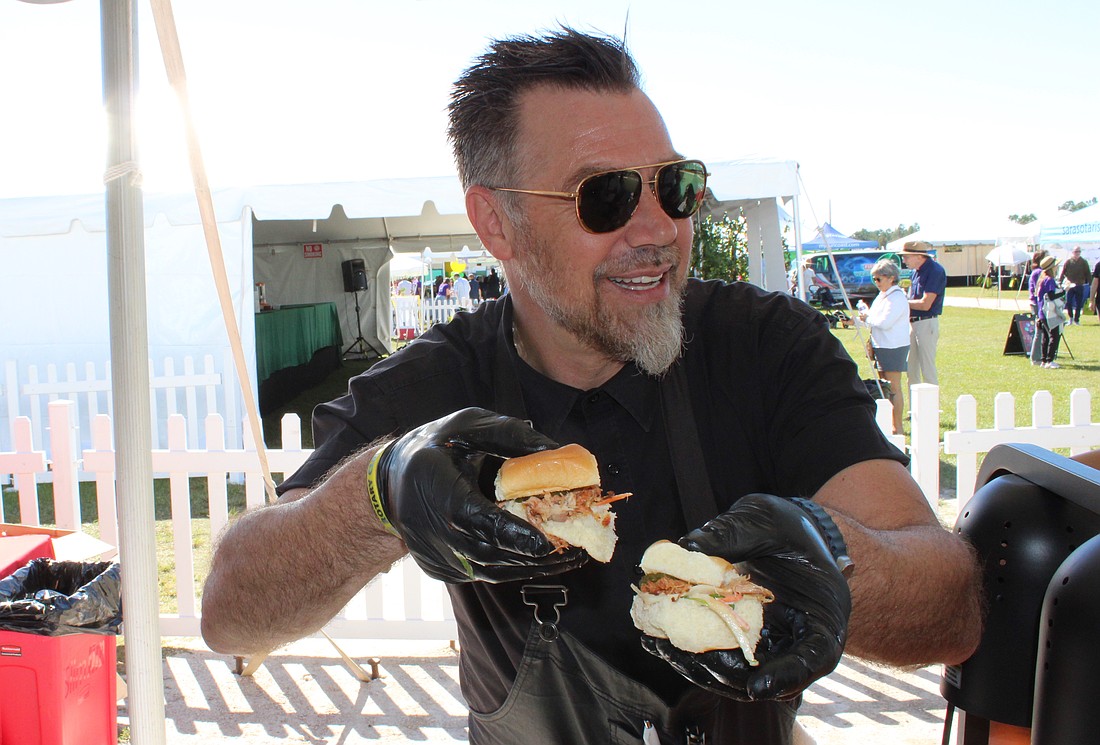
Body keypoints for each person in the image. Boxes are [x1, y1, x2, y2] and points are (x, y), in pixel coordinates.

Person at [200, 28, 982, 745]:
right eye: (605, 196)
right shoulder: (443, 381)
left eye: (674, 186)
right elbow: (230, 612)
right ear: (497, 224)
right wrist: (378, 493)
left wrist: (837, 559)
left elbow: (952, 606)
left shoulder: (765, 346)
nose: (657, 230)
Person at [857, 260, 910, 434]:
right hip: (881, 344)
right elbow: (875, 319)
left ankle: (898, 427)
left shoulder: (897, 297)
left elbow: (884, 322)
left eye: (878, 279)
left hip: (893, 346)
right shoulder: (884, 295)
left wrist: (867, 318)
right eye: (874, 279)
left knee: (893, 388)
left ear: (891, 278)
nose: (876, 283)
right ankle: (887, 423)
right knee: (883, 387)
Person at [901, 241, 946, 386]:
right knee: (911, 371)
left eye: (906, 257)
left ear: (919, 256)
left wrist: (902, 303)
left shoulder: (935, 271)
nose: (904, 260)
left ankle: (931, 407)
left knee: (927, 369)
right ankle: (915, 408)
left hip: (926, 322)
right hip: (912, 323)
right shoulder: (915, 272)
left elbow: (926, 304)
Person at [1036, 255, 1064, 368]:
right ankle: (1050, 360)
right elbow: (1051, 295)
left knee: (1046, 337)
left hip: (1042, 312)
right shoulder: (1050, 280)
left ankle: (1044, 360)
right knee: (1054, 335)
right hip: (1049, 312)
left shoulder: (1042, 279)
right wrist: (1064, 291)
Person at [1026, 249, 1048, 365]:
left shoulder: (1039, 271)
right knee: (1039, 330)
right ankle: (1036, 358)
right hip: (1037, 303)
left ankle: (1042, 355)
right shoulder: (1038, 272)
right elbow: (1037, 291)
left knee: (1042, 330)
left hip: (1039, 303)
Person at [1059, 246, 1090, 325]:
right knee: (1068, 302)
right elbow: (1063, 272)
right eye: (1076, 251)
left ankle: (1077, 319)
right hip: (1070, 285)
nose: (1077, 253)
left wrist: (1091, 283)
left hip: (1079, 285)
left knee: (1079, 303)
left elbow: (1088, 273)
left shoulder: (1083, 262)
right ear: (1072, 252)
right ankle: (1071, 318)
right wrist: (1060, 281)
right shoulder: (1068, 262)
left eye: (1079, 251)